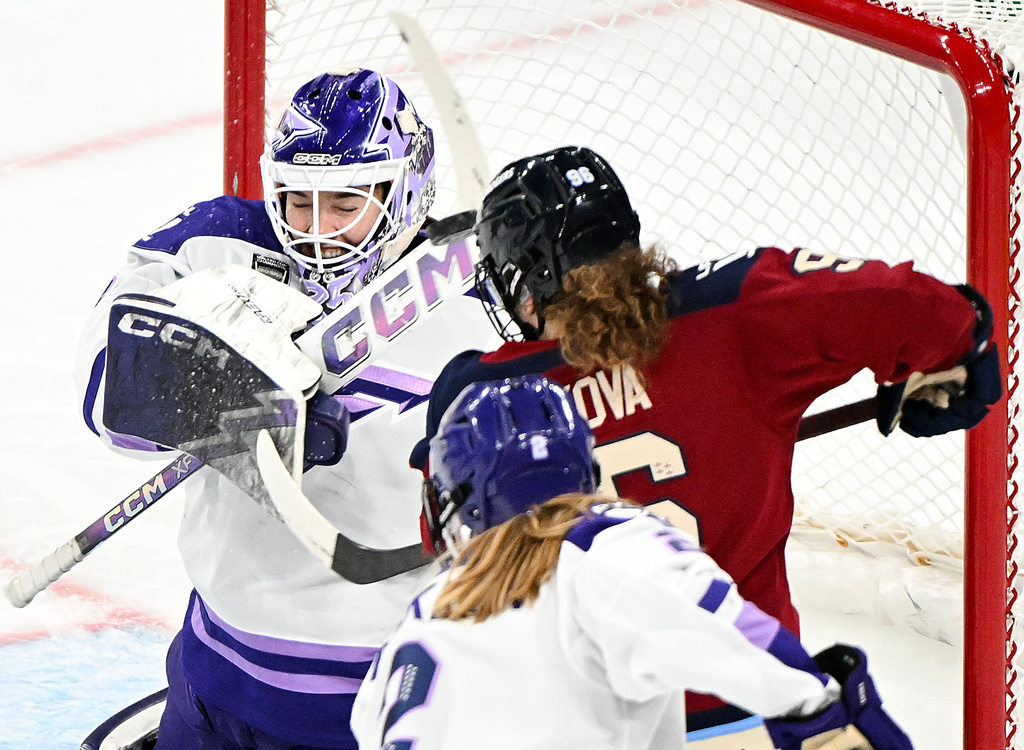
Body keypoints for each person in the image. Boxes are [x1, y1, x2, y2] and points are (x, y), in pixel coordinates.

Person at [409, 145, 1001, 742]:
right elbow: (921, 309)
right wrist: (955, 355)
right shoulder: (733, 310)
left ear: (525, 283)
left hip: (583, 723)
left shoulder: (479, 390)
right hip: (757, 701)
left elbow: (444, 542)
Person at [73, 68, 497, 749]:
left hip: (370, 701)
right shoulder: (215, 247)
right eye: (299, 202)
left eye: (345, 204)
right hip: (210, 670)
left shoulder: (477, 312)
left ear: (403, 190)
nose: (317, 232)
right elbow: (104, 390)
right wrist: (220, 393)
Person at [353, 374, 914, 750]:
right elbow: (740, 640)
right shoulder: (600, 547)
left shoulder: (420, 613)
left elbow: (366, 724)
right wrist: (827, 707)